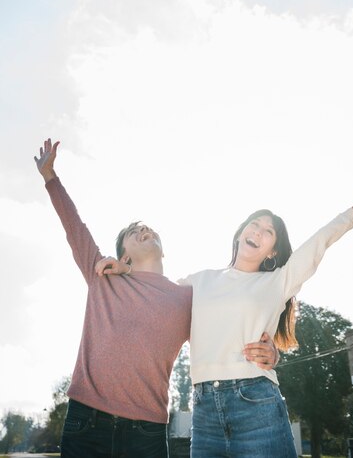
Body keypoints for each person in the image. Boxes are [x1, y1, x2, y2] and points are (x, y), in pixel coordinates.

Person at [99, 174, 353, 457]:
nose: (258, 232)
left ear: (271, 251)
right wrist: (128, 269)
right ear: (239, 233)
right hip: (204, 410)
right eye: (255, 224)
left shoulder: (278, 281)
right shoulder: (199, 281)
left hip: (256, 403)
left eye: (268, 232)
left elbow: (321, 240)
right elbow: (157, 296)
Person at [34, 138, 277, 458]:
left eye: (147, 228)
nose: (143, 230)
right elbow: (74, 226)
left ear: (164, 247)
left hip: (146, 431)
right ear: (124, 254)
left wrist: (269, 350)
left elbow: (226, 332)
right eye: (133, 232)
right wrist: (50, 177)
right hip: (87, 422)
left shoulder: (187, 297)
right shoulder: (102, 275)